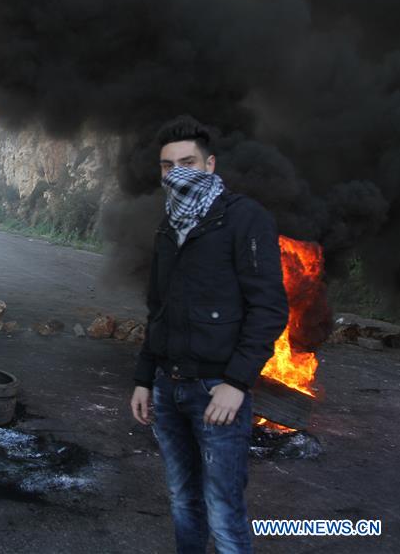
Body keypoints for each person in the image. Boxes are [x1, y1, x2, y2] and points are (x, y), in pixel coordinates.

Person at [129, 116, 288, 554]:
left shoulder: (244, 218)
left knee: (224, 512)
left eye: (188, 162)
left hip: (216, 390)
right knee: (183, 501)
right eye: (167, 165)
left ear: (211, 164)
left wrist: (236, 383)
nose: (176, 173)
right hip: (166, 386)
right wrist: (145, 378)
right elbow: (157, 309)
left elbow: (269, 309)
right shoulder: (167, 227)